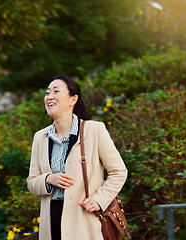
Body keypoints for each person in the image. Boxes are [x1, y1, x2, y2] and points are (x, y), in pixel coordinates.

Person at [27, 75, 128, 240]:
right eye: (47, 93)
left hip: (84, 220)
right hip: (51, 222)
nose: (49, 97)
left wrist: (99, 199)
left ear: (73, 99)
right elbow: (31, 182)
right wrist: (48, 179)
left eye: (56, 91)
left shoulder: (94, 130)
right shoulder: (40, 137)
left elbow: (119, 171)